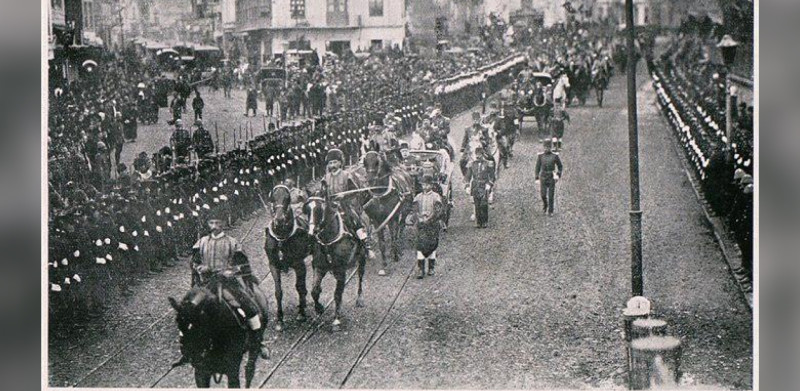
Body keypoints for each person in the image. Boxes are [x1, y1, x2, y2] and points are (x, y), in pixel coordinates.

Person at [191, 212, 270, 359]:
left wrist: (231, 271)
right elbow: (195, 262)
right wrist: (200, 268)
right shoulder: (201, 242)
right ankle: (191, 344)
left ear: (223, 224)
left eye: (217, 223)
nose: (214, 226)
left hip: (228, 283)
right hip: (207, 283)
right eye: (211, 223)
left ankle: (258, 342)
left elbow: (243, 264)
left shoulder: (232, 243)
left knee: (249, 307)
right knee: (191, 309)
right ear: (208, 224)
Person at [321, 148, 375, 259]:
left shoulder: (346, 175)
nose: (333, 165)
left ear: (340, 163)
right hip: (329, 206)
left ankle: (366, 245)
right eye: (330, 163)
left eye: (335, 162)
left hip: (344, 205)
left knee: (355, 221)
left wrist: (344, 195)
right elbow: (322, 192)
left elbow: (354, 191)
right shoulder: (325, 178)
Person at [410, 174, 444, 278]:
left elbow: (437, 211)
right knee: (420, 246)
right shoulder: (418, 197)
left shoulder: (436, 197)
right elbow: (415, 210)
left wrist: (429, 219)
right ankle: (420, 268)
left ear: (431, 185)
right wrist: (419, 218)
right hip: (421, 225)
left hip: (432, 225)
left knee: (432, 246)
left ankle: (431, 267)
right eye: (423, 185)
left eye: (427, 185)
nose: (425, 187)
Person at [465, 146, 495, 228]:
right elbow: (467, 176)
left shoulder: (488, 164)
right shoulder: (472, 164)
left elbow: (492, 176)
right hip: (475, 185)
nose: (478, 156)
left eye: (480, 155)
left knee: (483, 204)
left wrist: (489, 184)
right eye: (476, 154)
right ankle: (478, 222)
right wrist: (467, 185)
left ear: (483, 154)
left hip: (484, 185)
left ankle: (485, 221)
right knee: (477, 204)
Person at [534, 139, 563, 216]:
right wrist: (536, 177)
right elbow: (537, 167)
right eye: (546, 147)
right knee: (543, 194)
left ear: (551, 147)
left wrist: (558, 174)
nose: (547, 149)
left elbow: (560, 166)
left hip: (551, 177)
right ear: (543, 147)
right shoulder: (540, 156)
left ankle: (551, 211)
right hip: (543, 177)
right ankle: (545, 205)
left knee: (551, 195)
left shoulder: (555, 156)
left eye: (548, 147)